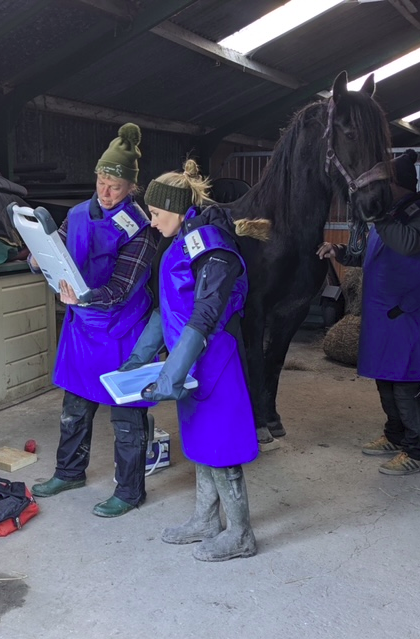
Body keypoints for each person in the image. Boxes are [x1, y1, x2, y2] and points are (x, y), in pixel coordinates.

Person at [119, 158, 261, 561]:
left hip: (216, 363)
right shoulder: (181, 240)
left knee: (223, 451)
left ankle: (241, 534)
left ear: (178, 210)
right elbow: (168, 307)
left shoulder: (212, 244)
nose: (151, 221)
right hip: (192, 365)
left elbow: (206, 313)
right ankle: (205, 519)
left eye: (157, 213)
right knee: (200, 444)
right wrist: (140, 356)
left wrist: (174, 370)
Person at [31, 123, 158, 517]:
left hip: (121, 329)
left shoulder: (141, 228)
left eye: (115, 187)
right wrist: (38, 259)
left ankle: (130, 491)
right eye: (102, 181)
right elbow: (58, 252)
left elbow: (121, 287)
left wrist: (85, 296)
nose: (105, 193)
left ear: (131, 189)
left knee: (126, 418)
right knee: (74, 407)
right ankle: (69, 472)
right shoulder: (76, 214)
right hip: (82, 329)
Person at [317, 149, 420, 475]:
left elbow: (408, 243)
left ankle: (418, 451)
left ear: (397, 185)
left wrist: (377, 215)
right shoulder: (393, 213)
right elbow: (370, 255)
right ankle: (395, 434)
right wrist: (341, 252)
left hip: (407, 313)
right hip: (382, 312)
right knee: (385, 379)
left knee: (406, 382)